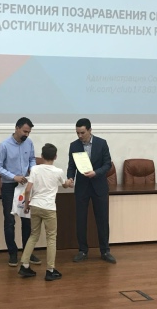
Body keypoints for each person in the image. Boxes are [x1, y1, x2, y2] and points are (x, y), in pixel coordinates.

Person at [18, 143, 71, 281]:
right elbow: (65, 185)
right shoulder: (58, 171)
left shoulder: (35, 169)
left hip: (35, 206)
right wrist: (69, 182)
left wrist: (27, 204)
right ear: (55, 156)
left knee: (33, 235)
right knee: (51, 238)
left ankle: (24, 265)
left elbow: (28, 190)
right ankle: (50, 270)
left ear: (41, 156)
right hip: (49, 208)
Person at [67, 118, 116, 264]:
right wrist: (70, 178)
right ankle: (82, 250)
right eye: (77, 133)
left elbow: (107, 164)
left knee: (102, 219)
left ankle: (105, 251)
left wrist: (96, 172)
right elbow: (71, 166)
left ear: (90, 130)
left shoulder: (102, 143)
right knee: (81, 219)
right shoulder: (74, 145)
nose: (80, 136)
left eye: (82, 132)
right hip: (82, 187)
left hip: (99, 186)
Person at [0, 117, 41, 267]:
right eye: (25, 131)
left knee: (27, 219)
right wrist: (14, 177)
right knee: (10, 220)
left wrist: (32, 170)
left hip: (24, 186)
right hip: (9, 186)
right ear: (16, 128)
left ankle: (27, 252)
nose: (27, 134)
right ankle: (12, 253)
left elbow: (32, 159)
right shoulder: (4, 145)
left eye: (29, 132)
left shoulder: (29, 143)